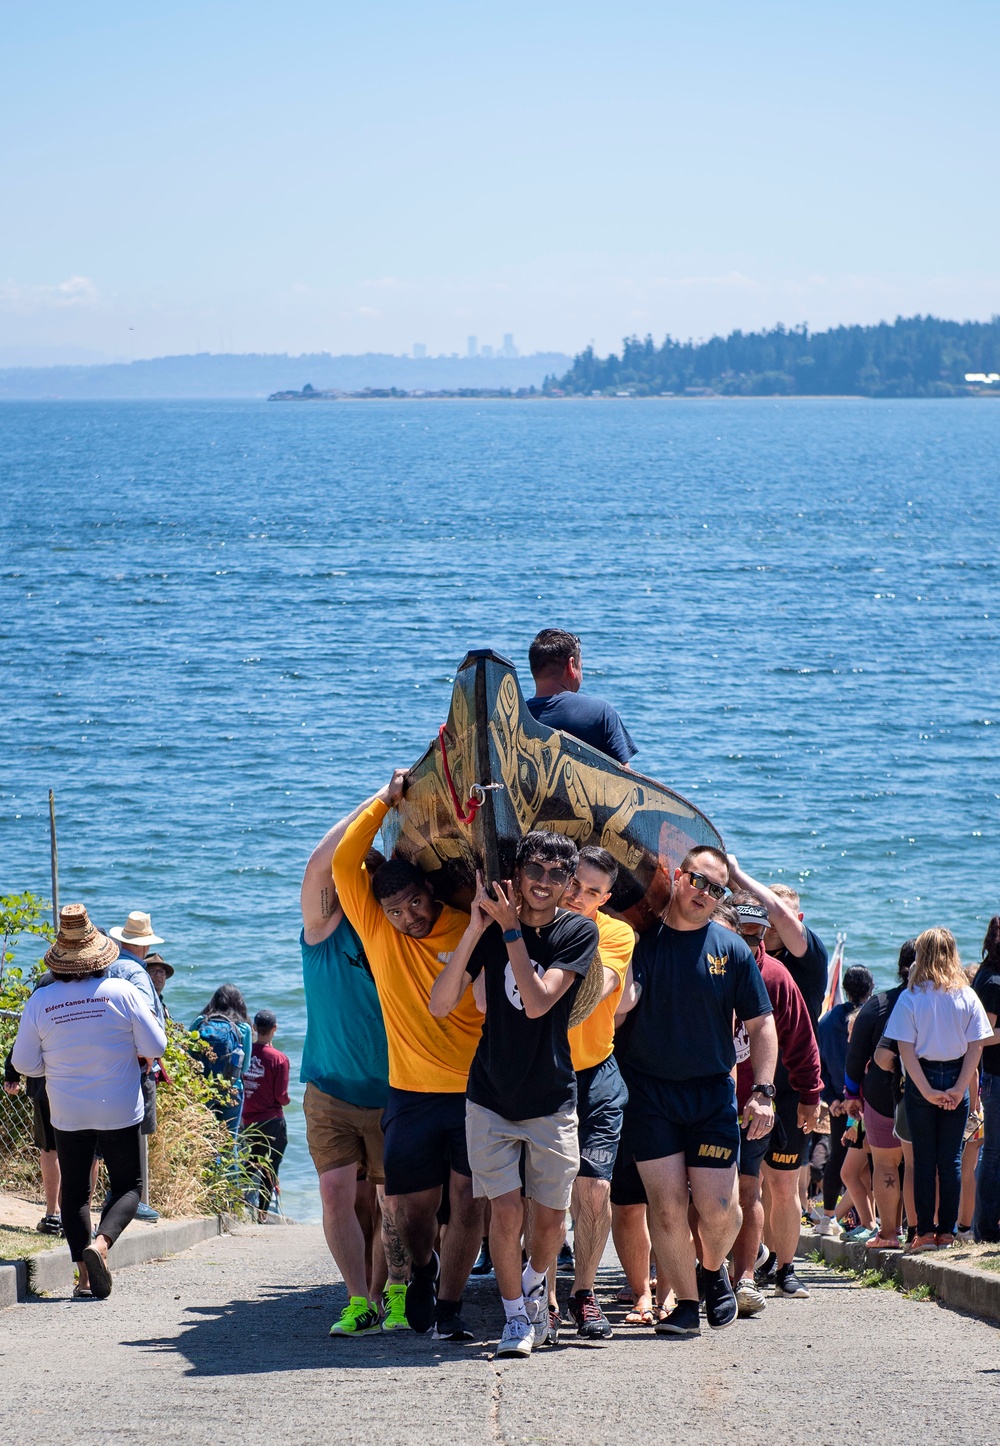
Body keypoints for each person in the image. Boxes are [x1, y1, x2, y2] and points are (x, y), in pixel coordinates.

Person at [429, 831, 599, 1358]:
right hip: (490, 1097)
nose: (542, 883)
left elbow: (536, 1001)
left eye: (555, 875)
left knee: (549, 1218)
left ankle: (533, 1281)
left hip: (550, 1097)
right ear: (518, 873)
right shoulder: (493, 925)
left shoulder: (576, 933)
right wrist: (478, 928)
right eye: (535, 871)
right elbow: (440, 1004)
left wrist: (509, 933)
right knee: (504, 1212)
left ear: (570, 884)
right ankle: (513, 1319)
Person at [333, 769, 486, 1341]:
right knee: (409, 1208)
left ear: (430, 892)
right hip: (412, 1092)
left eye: (416, 904)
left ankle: (449, 1304)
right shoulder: (378, 931)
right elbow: (345, 863)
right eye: (396, 910)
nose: (409, 917)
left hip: (475, 1091)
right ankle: (423, 1271)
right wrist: (383, 799)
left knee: (470, 1199)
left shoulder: (466, 923)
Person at [615, 847, 778, 1337]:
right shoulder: (641, 944)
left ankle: (711, 1270)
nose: (705, 894)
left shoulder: (730, 949)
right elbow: (622, 1006)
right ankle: (686, 1303)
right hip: (650, 1096)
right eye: (698, 881)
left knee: (718, 1210)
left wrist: (764, 1091)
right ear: (677, 877)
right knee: (664, 1206)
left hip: (710, 1096)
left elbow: (762, 1024)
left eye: (717, 889)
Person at [11, 904, 166, 1299]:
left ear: (61, 960)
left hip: (67, 1108)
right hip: (118, 1105)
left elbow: (24, 1062)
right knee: (129, 1186)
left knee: (75, 1192)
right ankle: (101, 1245)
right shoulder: (122, 991)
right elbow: (156, 1045)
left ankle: (83, 1278)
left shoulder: (42, 1000)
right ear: (101, 955)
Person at [300, 801, 398, 1337]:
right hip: (330, 1089)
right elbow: (319, 862)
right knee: (338, 1194)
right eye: (354, 881)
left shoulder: (399, 933)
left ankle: (383, 1293)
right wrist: (381, 802)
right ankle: (358, 1299)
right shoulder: (322, 933)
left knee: (389, 1204)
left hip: (393, 1092)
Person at [727, 897, 824, 1311]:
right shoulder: (710, 965)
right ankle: (720, 1270)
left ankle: (784, 1268)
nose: (750, 940)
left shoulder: (777, 975)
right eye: (742, 931)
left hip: (776, 1096)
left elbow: (804, 1041)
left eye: (757, 932)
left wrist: (810, 1096)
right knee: (712, 1189)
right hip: (715, 1096)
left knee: (779, 1185)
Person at [557, 845, 634, 1339]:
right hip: (542, 1073)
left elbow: (598, 989)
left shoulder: (615, 933)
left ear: (604, 899)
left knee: (595, 1187)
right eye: (573, 884)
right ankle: (539, 1296)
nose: (577, 897)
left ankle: (583, 1294)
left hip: (597, 1071)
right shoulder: (534, 920)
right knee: (540, 1193)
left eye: (591, 892)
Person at [884, 928, 992, 1253]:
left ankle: (924, 1233)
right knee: (951, 1162)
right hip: (958, 1072)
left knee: (923, 1160)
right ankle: (947, 1233)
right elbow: (977, 1046)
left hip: (923, 1075)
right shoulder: (967, 995)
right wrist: (959, 1087)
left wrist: (926, 1090)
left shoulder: (911, 996)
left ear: (922, 954)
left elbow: (905, 1050)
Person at [843, 942, 915, 1248]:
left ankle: (887, 1233)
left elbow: (855, 1057)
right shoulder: (941, 1003)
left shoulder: (879, 1004)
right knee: (919, 1165)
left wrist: (851, 1094)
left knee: (886, 1165)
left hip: (881, 1096)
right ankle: (921, 1231)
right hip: (925, 1096)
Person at [725, 859, 828, 1027]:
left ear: (799, 919)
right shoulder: (746, 949)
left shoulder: (811, 954)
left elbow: (782, 918)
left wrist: (735, 872)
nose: (773, 921)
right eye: (768, 914)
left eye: (775, 912)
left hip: (796, 1049)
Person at [525, 628, 637, 766]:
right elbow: (626, 781)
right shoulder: (600, 713)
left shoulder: (513, 715)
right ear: (571, 666)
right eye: (581, 667)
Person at [242, 1009, 291, 1222]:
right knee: (270, 1167)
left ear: (254, 1028)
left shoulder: (245, 1052)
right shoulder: (279, 1059)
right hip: (271, 1122)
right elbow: (281, 1096)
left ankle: (240, 1203)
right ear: (274, 1029)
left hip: (246, 1121)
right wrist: (288, 1101)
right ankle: (262, 1213)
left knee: (250, 1163)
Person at [191, 985, 252, 1136]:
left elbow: (187, 1052)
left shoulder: (200, 1021)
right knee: (229, 1142)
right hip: (231, 1088)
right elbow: (244, 1068)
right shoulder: (243, 1028)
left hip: (202, 1088)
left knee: (201, 1138)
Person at [972, 917, 1000, 1242]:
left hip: (991, 1075)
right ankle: (987, 1230)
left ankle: (987, 1226)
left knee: (992, 1153)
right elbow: (984, 1034)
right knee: (993, 1153)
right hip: (995, 1075)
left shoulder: (987, 972)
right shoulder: (992, 981)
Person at [144, 952, 173, 1019]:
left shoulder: (162, 1006)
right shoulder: (142, 1001)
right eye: (152, 971)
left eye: (161, 971)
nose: (158, 975)